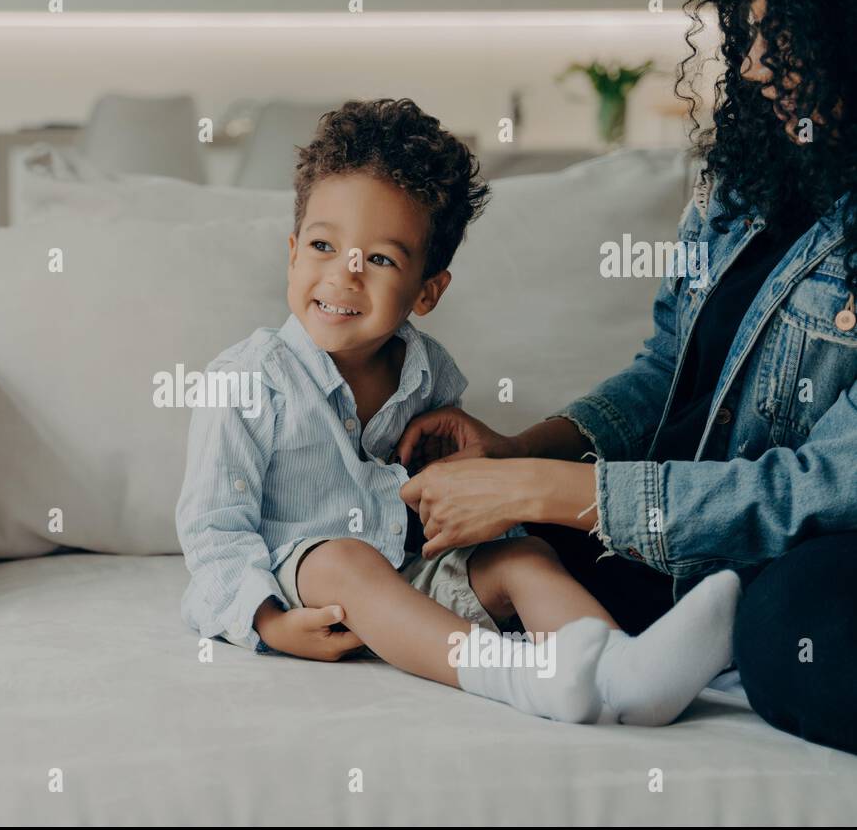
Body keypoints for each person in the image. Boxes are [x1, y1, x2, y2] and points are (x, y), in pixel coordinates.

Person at [395, 0, 857, 754]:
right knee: (445, 534)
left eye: (784, 25)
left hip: (809, 536)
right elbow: (663, 372)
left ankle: (715, 612)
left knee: (793, 629)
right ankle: (657, 641)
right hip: (668, 515)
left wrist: (542, 489)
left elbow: (816, 488)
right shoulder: (746, 176)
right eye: (747, 22)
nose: (751, 60)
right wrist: (520, 453)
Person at [177, 99, 740, 727]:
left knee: (525, 558)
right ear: (291, 254)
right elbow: (212, 532)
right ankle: (523, 680)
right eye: (322, 245)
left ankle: (622, 674)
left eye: (381, 259)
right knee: (344, 558)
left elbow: (445, 504)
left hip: (409, 574)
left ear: (428, 291)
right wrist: (270, 624)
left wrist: (472, 519)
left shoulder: (430, 371)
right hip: (307, 586)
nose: (345, 275)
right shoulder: (247, 379)